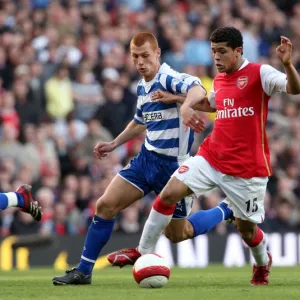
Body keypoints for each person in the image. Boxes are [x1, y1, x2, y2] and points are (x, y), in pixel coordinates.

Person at [107, 27, 300, 285]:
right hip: (211, 156)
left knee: (247, 229)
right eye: (213, 52)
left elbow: (293, 88)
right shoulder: (219, 79)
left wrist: (287, 64)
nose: (216, 58)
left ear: (238, 51)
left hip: (247, 169)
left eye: (222, 52)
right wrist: (175, 99)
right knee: (169, 193)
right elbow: (211, 104)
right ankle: (142, 252)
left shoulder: (259, 73)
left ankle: (262, 262)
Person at [52, 32, 233, 285]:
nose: (140, 62)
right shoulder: (141, 85)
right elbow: (140, 121)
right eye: (135, 56)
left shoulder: (168, 77)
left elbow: (198, 88)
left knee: (179, 234)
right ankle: (84, 271)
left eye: (145, 56)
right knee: (105, 205)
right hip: (146, 160)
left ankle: (225, 210)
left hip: (175, 167)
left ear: (157, 53)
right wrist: (114, 143)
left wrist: (185, 106)